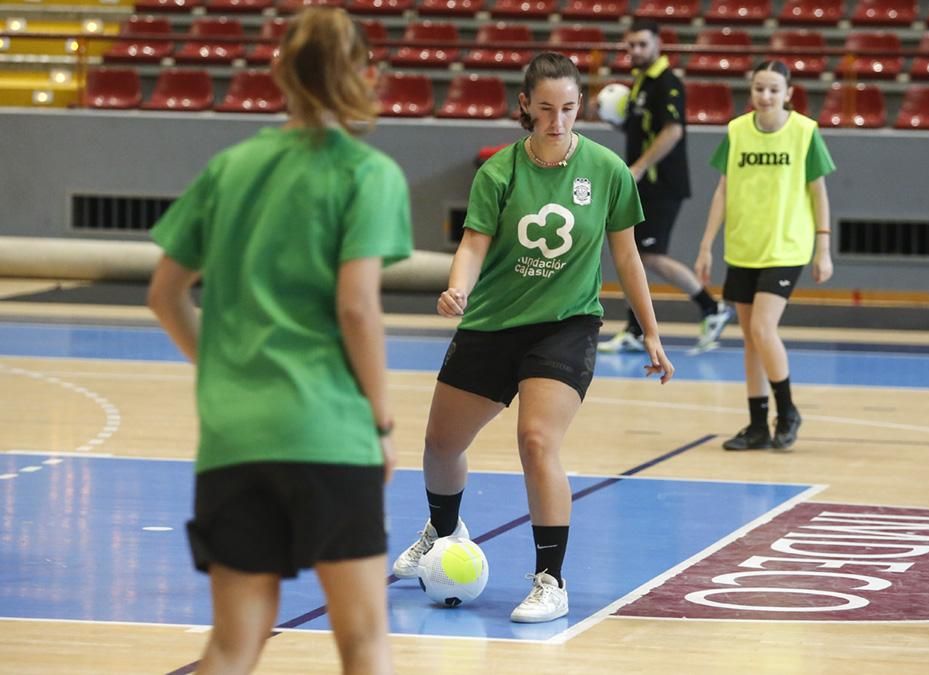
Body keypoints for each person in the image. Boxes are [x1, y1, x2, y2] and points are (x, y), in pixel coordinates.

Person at [146, 9, 410, 674]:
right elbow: (357, 306)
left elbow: (164, 293)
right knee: (363, 643)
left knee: (232, 645)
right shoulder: (368, 173)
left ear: (279, 71)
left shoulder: (230, 167)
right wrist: (381, 422)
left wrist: (224, 367)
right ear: (363, 74)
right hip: (329, 432)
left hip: (234, 437)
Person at [390, 52, 674, 624]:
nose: (557, 120)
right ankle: (443, 533)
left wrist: (650, 330)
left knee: (537, 441)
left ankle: (550, 580)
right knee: (441, 444)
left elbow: (627, 256)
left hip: (566, 325)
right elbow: (473, 243)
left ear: (580, 106)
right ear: (525, 106)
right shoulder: (499, 172)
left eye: (568, 108)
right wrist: (457, 289)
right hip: (493, 321)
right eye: (545, 108)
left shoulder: (607, 170)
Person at [695, 60, 835, 452]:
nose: (766, 96)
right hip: (744, 246)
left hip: (786, 247)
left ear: (788, 93)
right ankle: (757, 425)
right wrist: (706, 244)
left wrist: (823, 248)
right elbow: (723, 190)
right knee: (751, 339)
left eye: (774, 89)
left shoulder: (804, 132)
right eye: (759, 88)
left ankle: (787, 412)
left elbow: (819, 193)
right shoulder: (737, 131)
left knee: (762, 328)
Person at [598, 19, 734, 354]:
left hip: (662, 183)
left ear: (658, 44)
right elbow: (643, 130)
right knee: (636, 254)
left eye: (642, 44)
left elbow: (672, 131)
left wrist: (640, 167)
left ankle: (711, 308)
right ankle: (636, 328)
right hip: (645, 183)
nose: (636, 51)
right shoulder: (641, 82)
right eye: (631, 45)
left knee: (648, 255)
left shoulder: (667, 83)